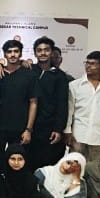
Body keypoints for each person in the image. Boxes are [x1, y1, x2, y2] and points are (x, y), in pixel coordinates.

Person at [64, 51, 100, 163]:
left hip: (99, 136)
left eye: (93, 64)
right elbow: (69, 110)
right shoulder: (74, 85)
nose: (88, 66)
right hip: (78, 135)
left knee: (96, 167)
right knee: (75, 167)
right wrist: (67, 131)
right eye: (87, 63)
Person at [0, 40, 38, 169]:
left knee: (19, 164)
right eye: (9, 52)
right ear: (4, 54)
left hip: (21, 128)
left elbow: (34, 103)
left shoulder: (29, 75)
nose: (13, 54)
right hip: (0, 128)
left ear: (21, 54)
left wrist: (28, 130)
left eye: (16, 51)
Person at [26, 37, 68, 169]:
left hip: (49, 128)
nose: (43, 53)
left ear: (51, 52)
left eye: (46, 50)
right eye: (39, 50)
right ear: (35, 53)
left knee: (48, 165)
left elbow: (62, 104)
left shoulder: (60, 76)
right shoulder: (29, 71)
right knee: (28, 162)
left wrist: (58, 129)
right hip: (28, 126)